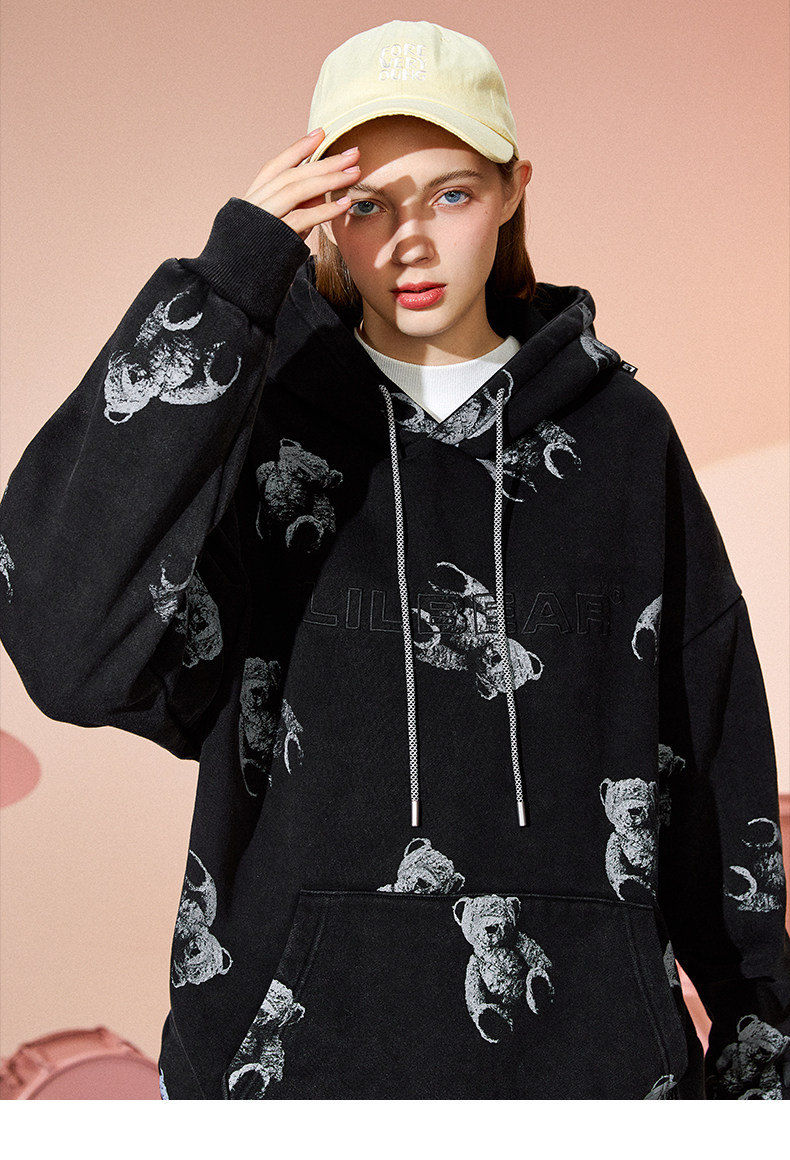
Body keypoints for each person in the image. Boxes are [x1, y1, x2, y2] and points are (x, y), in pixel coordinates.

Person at [0, 19, 788, 1101]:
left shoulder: (621, 437)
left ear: (512, 190)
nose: (408, 242)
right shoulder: (266, 428)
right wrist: (230, 283)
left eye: (450, 194)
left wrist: (760, 1072)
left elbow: (712, 745)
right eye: (366, 205)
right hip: (290, 1092)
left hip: (597, 1088)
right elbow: (65, 646)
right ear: (325, 212)